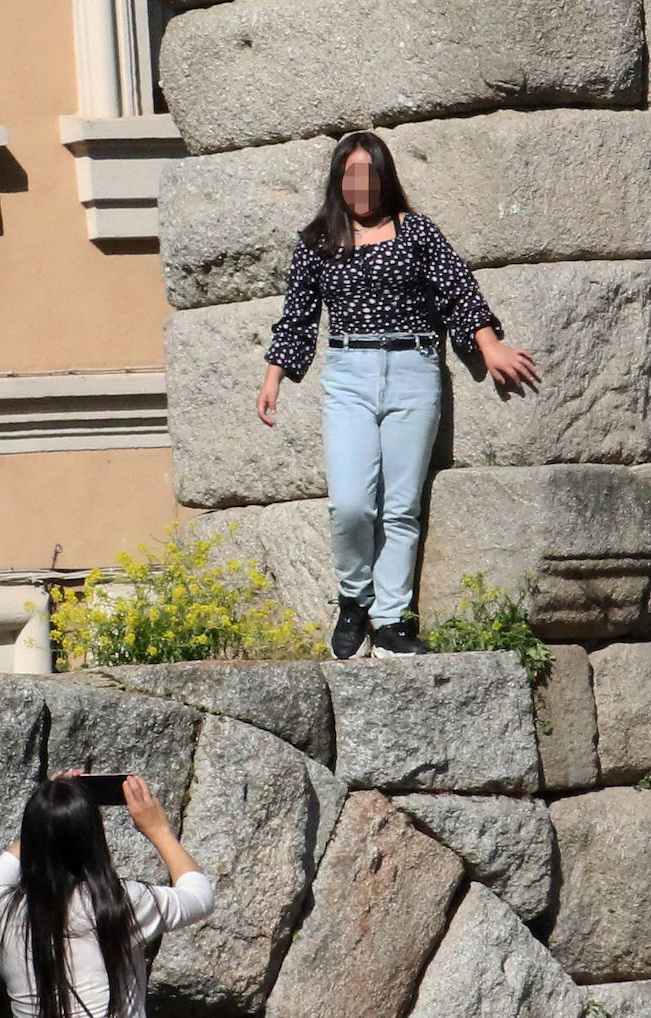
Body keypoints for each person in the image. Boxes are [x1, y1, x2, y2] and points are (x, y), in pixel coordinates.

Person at [256, 130, 537, 660]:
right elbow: (297, 316)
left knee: (401, 507)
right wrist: (274, 376)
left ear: (385, 178)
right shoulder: (318, 240)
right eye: (350, 175)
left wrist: (490, 346)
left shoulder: (417, 232)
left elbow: (457, 291)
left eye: (370, 174)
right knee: (351, 504)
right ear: (339, 181)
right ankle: (353, 602)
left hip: (413, 369)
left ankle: (390, 619)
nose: (360, 185)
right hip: (348, 373)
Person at [0, 773, 214, 1018]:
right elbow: (200, 896)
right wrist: (159, 830)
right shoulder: (116, 902)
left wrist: (51, 812)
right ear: (93, 838)